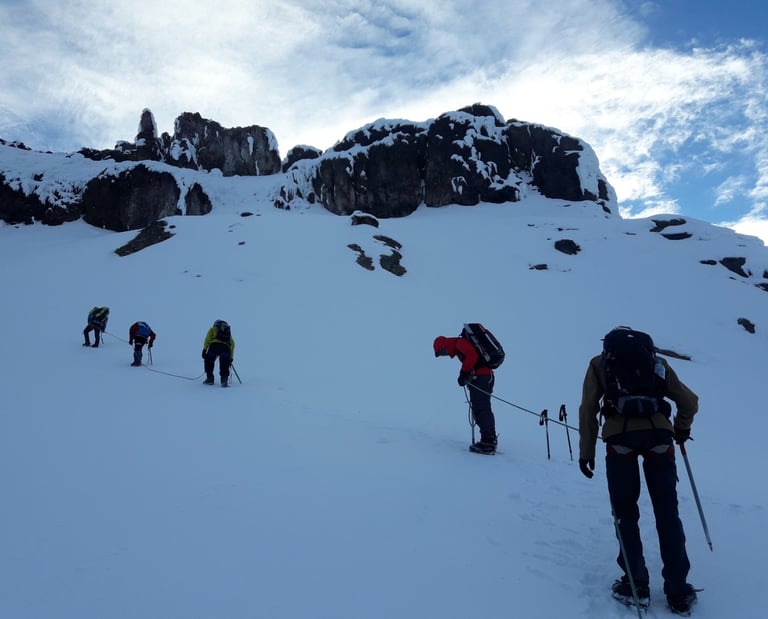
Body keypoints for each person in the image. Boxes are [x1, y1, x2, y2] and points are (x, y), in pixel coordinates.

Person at [578, 326, 699, 615]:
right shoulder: (657, 362)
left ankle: (635, 585)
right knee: (667, 512)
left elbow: (587, 410)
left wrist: (586, 452)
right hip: (659, 438)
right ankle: (678, 591)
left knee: (625, 513)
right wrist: (680, 429)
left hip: (619, 442)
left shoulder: (600, 363)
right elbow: (689, 402)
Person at [433, 334, 497, 454]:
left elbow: (472, 355)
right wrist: (466, 375)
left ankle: (488, 441)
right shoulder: (458, 347)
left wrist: (464, 373)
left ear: (444, 345)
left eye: (442, 352)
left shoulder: (459, 343)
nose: (445, 355)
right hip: (482, 377)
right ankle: (488, 439)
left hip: (481, 377)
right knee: (480, 408)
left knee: (481, 408)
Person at [202, 320, 235, 386]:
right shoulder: (227, 332)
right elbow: (233, 344)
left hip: (214, 346)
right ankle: (224, 381)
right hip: (225, 348)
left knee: (209, 360)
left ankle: (210, 378)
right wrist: (230, 357)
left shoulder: (213, 329)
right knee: (224, 362)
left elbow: (207, 339)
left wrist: (204, 349)